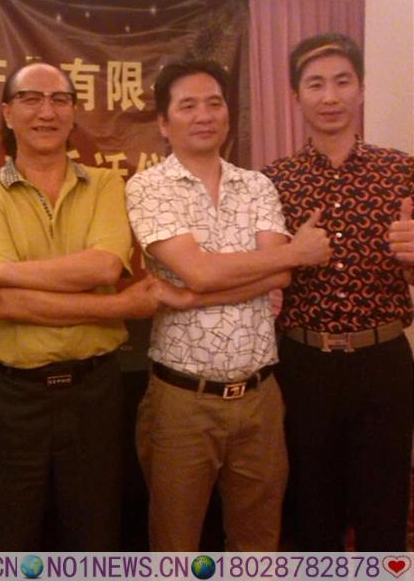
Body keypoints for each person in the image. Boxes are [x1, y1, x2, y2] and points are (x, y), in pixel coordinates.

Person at [125, 57, 332, 551]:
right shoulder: (148, 186)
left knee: (257, 545)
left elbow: (278, 274)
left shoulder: (257, 185)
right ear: (164, 123)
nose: (204, 115)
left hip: (260, 397)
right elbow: (202, 268)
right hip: (183, 400)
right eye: (188, 105)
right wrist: (292, 253)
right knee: (175, 546)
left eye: (214, 103)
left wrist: (189, 295)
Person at [0, 62, 162, 551]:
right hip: (10, 396)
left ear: (73, 112)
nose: (46, 112)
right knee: (6, 540)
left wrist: (0, 272)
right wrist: (120, 306)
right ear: (7, 113)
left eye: (59, 100)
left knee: (95, 537)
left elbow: (103, 267)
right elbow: (7, 305)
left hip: (94, 390)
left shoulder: (107, 184)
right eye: (30, 98)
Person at [262, 33, 414, 551]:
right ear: (296, 96)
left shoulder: (401, 171)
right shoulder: (272, 182)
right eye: (315, 84)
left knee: (385, 511)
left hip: (383, 363)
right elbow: (261, 273)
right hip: (304, 364)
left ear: (361, 89)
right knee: (311, 512)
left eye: (342, 82)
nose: (330, 97)